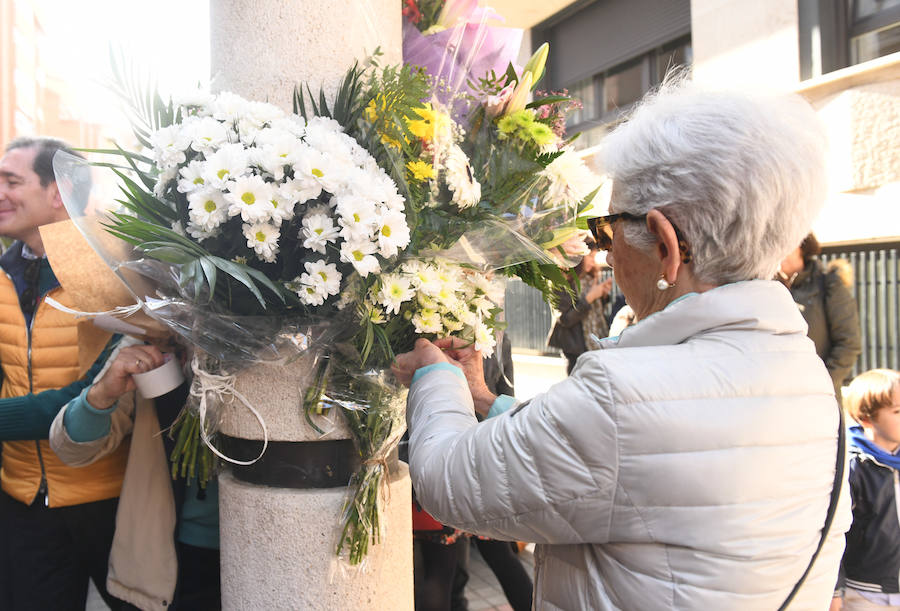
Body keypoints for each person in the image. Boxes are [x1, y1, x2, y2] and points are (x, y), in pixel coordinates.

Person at [392, 83, 850, 609]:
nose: (606, 256)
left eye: (607, 232)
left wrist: (436, 377)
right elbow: (620, 461)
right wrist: (482, 397)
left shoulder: (623, 396)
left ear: (665, 244)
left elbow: (448, 480)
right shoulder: (810, 381)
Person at [0, 137, 125, 609]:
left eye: (12, 181)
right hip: (22, 502)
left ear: (59, 192)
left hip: (106, 499)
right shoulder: (2, 273)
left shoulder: (112, 275)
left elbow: (87, 394)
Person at [49, 336, 221, 610]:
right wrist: (103, 393)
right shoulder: (153, 335)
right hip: (173, 562)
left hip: (273, 551)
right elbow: (71, 448)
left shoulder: (299, 338)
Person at [834, 369, 900, 610]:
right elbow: (835, 532)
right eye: (897, 411)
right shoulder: (854, 467)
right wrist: (835, 589)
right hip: (865, 593)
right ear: (866, 418)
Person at [778, 233, 861, 400]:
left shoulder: (829, 283)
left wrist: (820, 384)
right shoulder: (761, 286)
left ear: (800, 245)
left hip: (819, 398)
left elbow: (848, 344)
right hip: (775, 397)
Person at [548, 241, 612, 373]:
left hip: (597, 342)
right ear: (578, 257)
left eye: (594, 257)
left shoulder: (589, 278)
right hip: (575, 348)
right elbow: (565, 319)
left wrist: (603, 296)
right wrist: (590, 298)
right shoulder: (560, 281)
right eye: (590, 257)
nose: (593, 262)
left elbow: (596, 313)